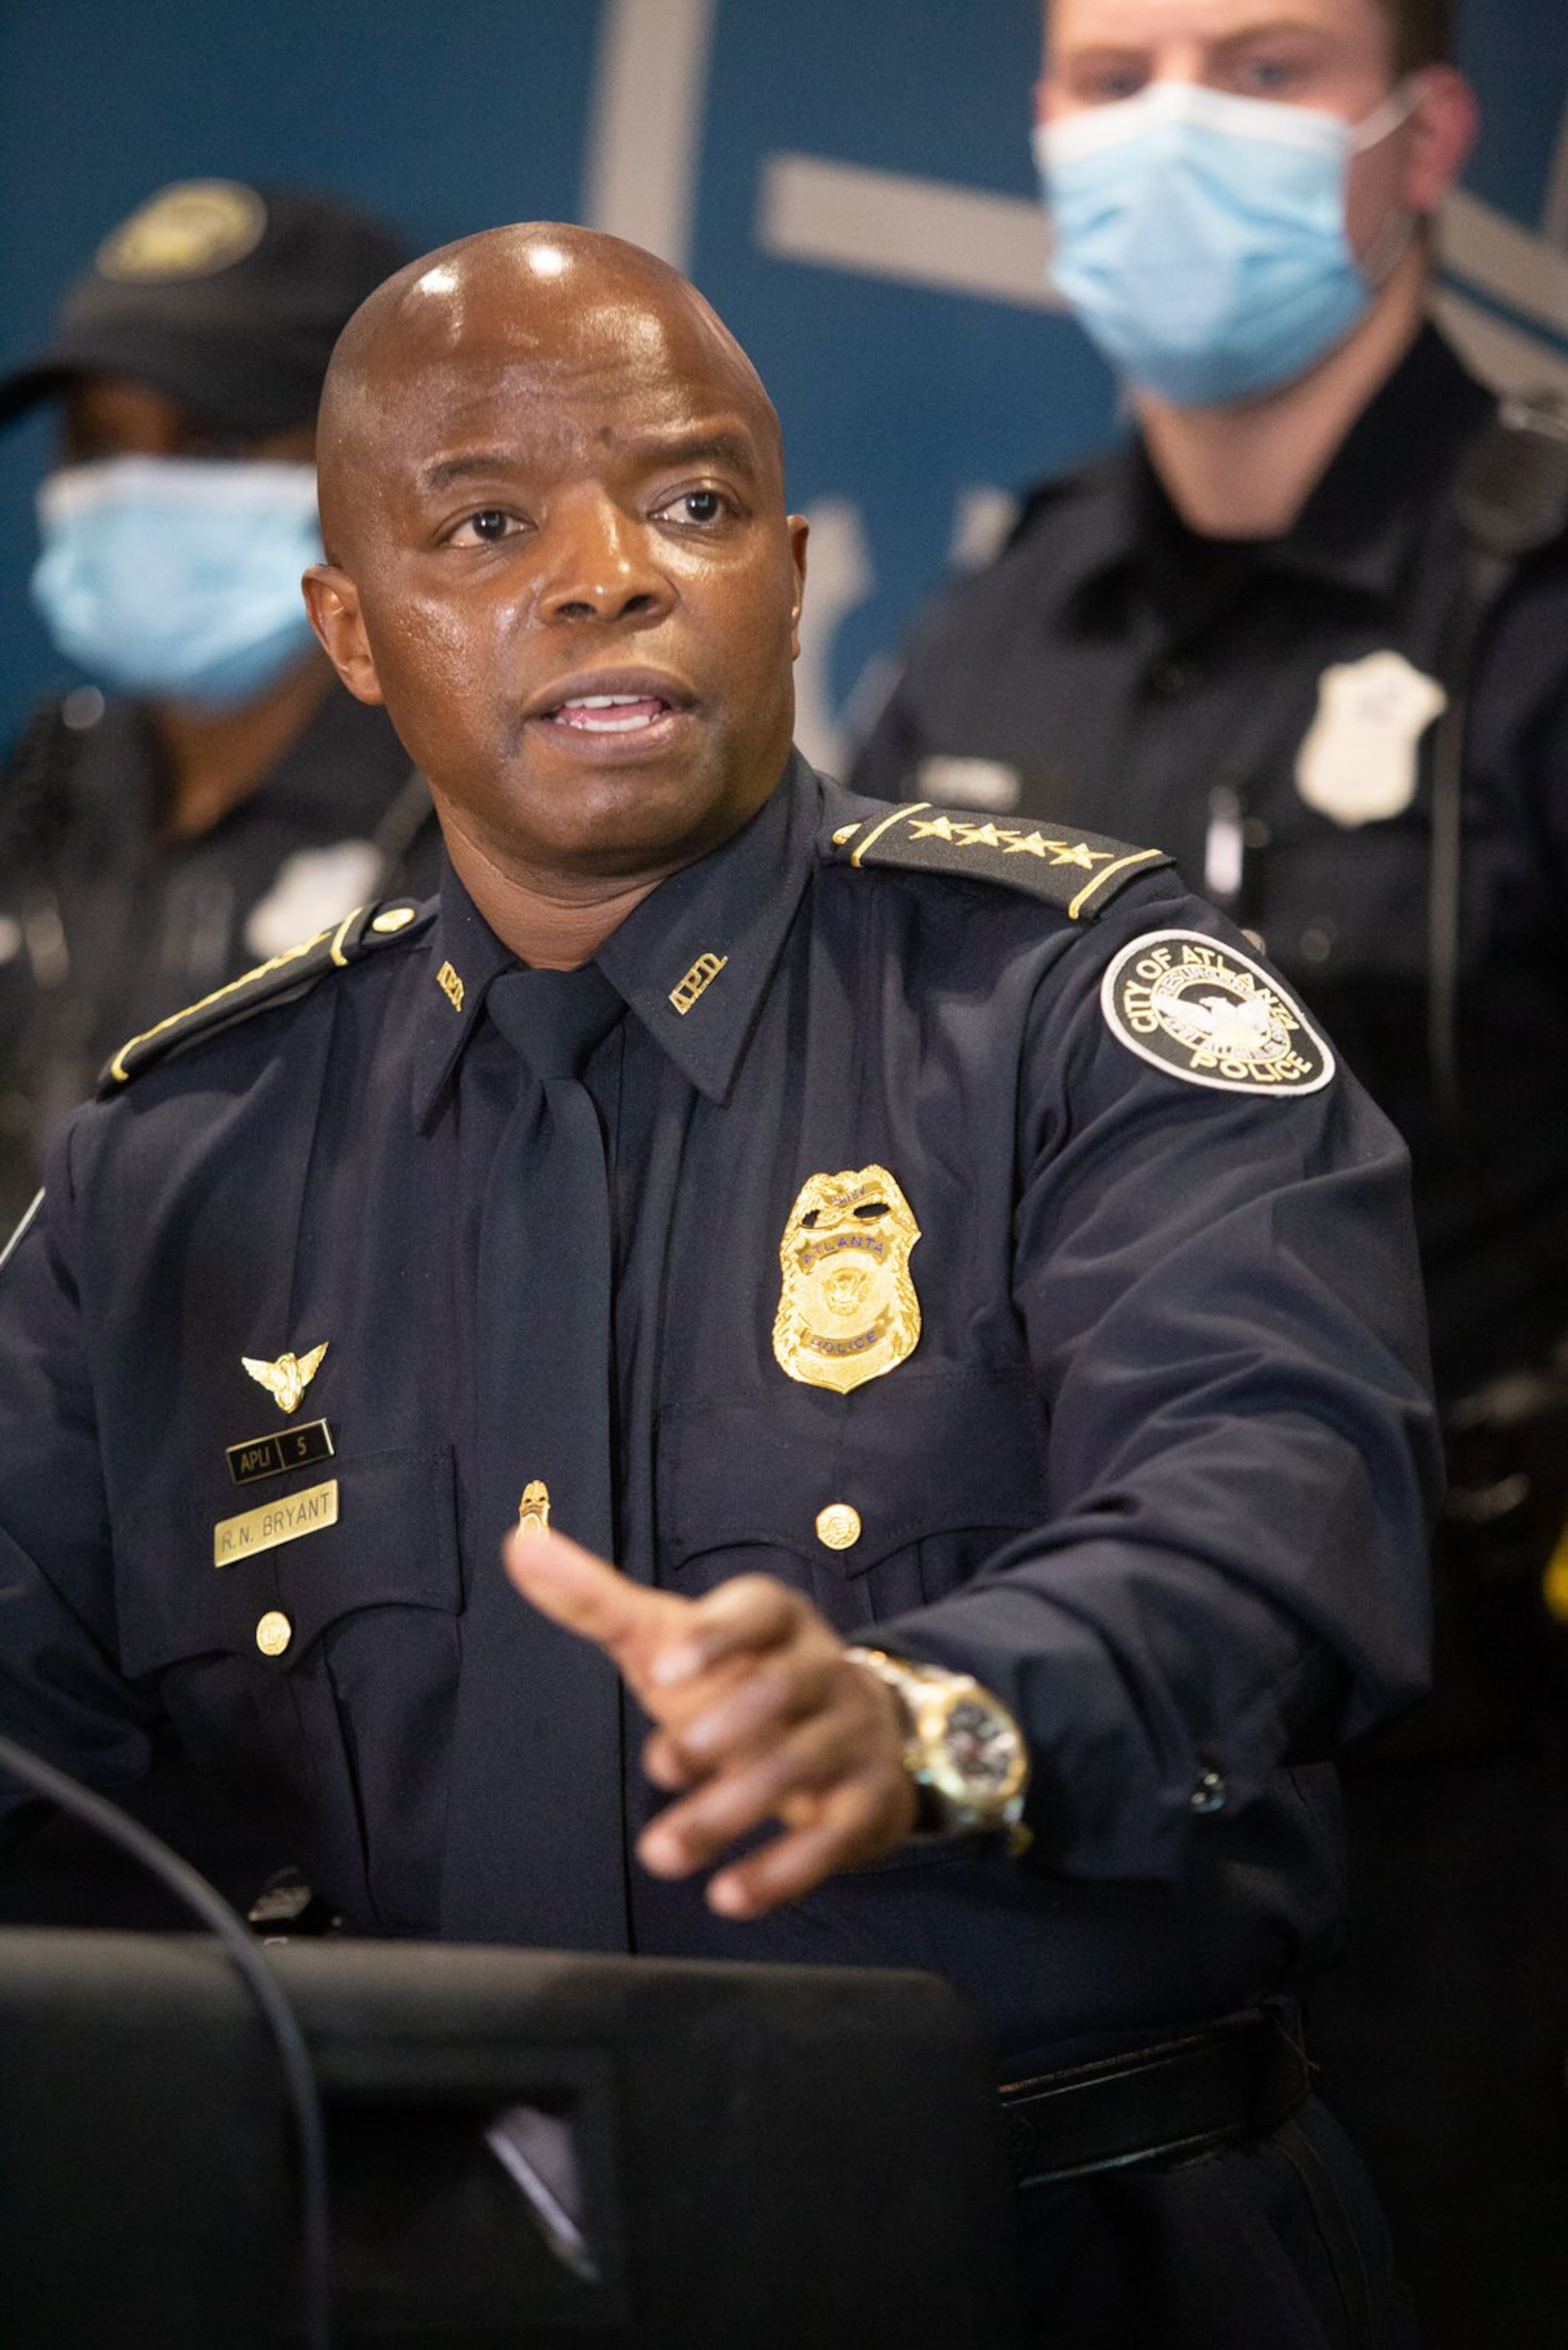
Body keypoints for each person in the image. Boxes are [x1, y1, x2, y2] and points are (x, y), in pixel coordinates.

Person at [0, 221, 1439, 2347]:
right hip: (398, 2269)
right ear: (356, 630)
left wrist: (922, 1714)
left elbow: (1274, 1525)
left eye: (687, 502)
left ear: (779, 562)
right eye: (487, 520)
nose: (606, 571)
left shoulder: (1081, 1013)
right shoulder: (169, 1169)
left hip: (1054, 2257)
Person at [849, 3, 1568, 2339]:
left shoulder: (1543, 594)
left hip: (1488, 1815)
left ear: (1422, 138)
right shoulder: (996, 622)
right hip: (1064, 1804)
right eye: (1111, 72)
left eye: (1258, 69)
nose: (1170, 129)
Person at [0, 178, 442, 1231]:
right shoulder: (39, 794)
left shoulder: (470, 852)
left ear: (384, 469)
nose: (132, 492)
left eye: (207, 444)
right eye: (99, 444)